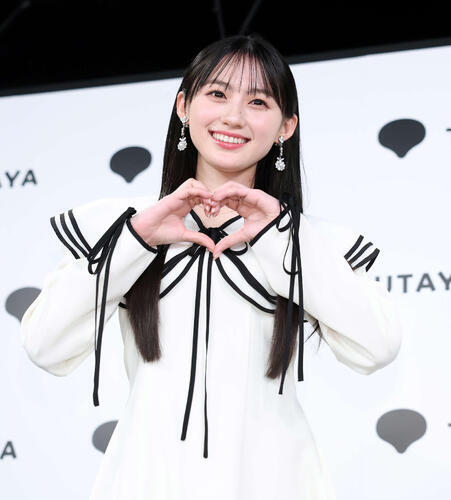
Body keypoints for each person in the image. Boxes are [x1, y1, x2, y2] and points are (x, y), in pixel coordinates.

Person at [20, 34, 402, 500]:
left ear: (286, 127)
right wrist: (136, 240)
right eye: (217, 94)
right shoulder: (126, 224)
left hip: (271, 481)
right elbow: (45, 345)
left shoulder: (309, 240)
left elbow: (377, 346)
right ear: (183, 106)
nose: (233, 116)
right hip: (148, 478)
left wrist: (279, 238)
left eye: (258, 101)